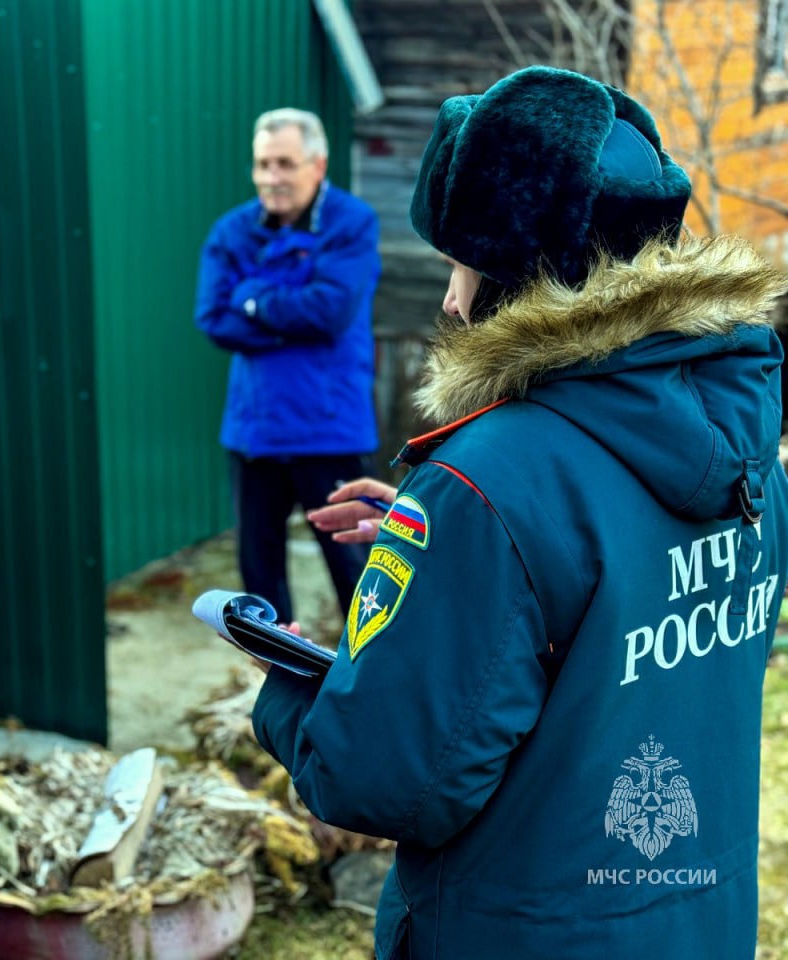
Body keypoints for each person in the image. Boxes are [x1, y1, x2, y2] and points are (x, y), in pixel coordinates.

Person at [251, 66, 788, 958]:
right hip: (696, 919)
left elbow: (388, 779)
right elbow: (616, 594)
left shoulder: (488, 481)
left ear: (517, 269)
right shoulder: (747, 448)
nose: (452, 296)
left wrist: (284, 686)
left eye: (461, 260)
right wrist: (453, 559)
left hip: (525, 929)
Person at [194, 107, 382, 624]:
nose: (271, 178)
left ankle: (366, 687)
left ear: (318, 165)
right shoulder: (231, 231)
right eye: (262, 164)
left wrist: (253, 299)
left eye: (285, 163)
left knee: (359, 576)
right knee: (261, 581)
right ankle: (280, 684)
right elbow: (213, 318)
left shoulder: (352, 223)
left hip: (329, 428)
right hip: (253, 432)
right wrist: (289, 312)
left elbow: (331, 311)